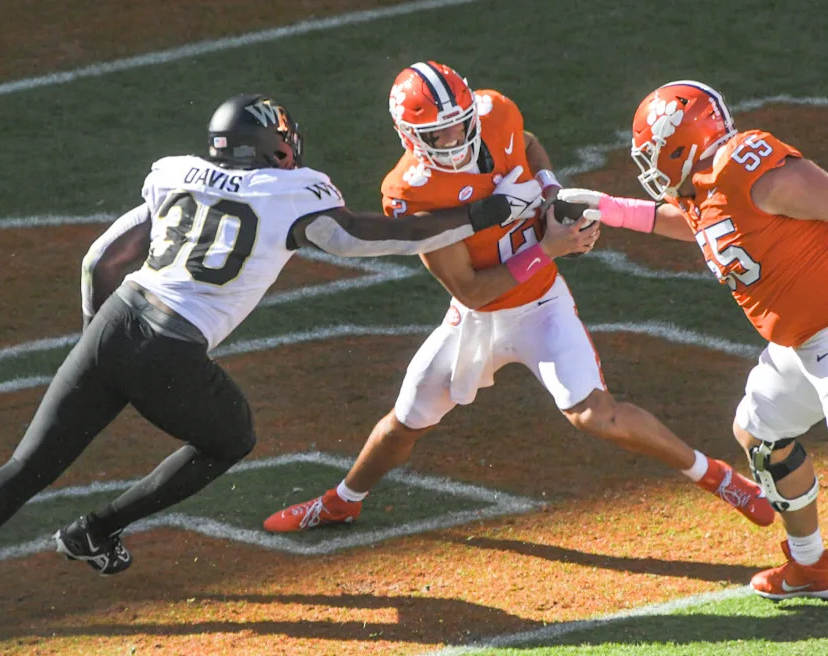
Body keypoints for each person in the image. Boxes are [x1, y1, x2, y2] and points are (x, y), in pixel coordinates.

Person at [0, 92, 550, 625]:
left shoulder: (173, 173)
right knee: (231, 437)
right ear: (271, 146)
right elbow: (365, 239)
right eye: (284, 143)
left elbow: (102, 260)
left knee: (28, 465)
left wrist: (96, 347)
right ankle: (97, 529)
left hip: (116, 323)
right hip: (171, 345)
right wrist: (487, 212)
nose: (292, 151)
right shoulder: (294, 191)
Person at [263, 62, 775, 536]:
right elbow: (471, 289)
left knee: (597, 413)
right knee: (404, 423)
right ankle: (343, 500)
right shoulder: (409, 191)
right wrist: (549, 248)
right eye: (437, 132)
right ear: (409, 136)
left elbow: (527, 145)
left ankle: (717, 476)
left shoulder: (494, 113)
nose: (455, 137)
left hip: (542, 304)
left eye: (461, 122)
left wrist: (551, 194)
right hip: (476, 318)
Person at [554, 79, 828, 600]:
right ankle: (812, 566)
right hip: (802, 342)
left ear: (681, 143)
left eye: (655, 154)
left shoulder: (746, 164)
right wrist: (610, 208)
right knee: (761, 433)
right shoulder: (707, 184)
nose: (652, 167)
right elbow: (702, 224)